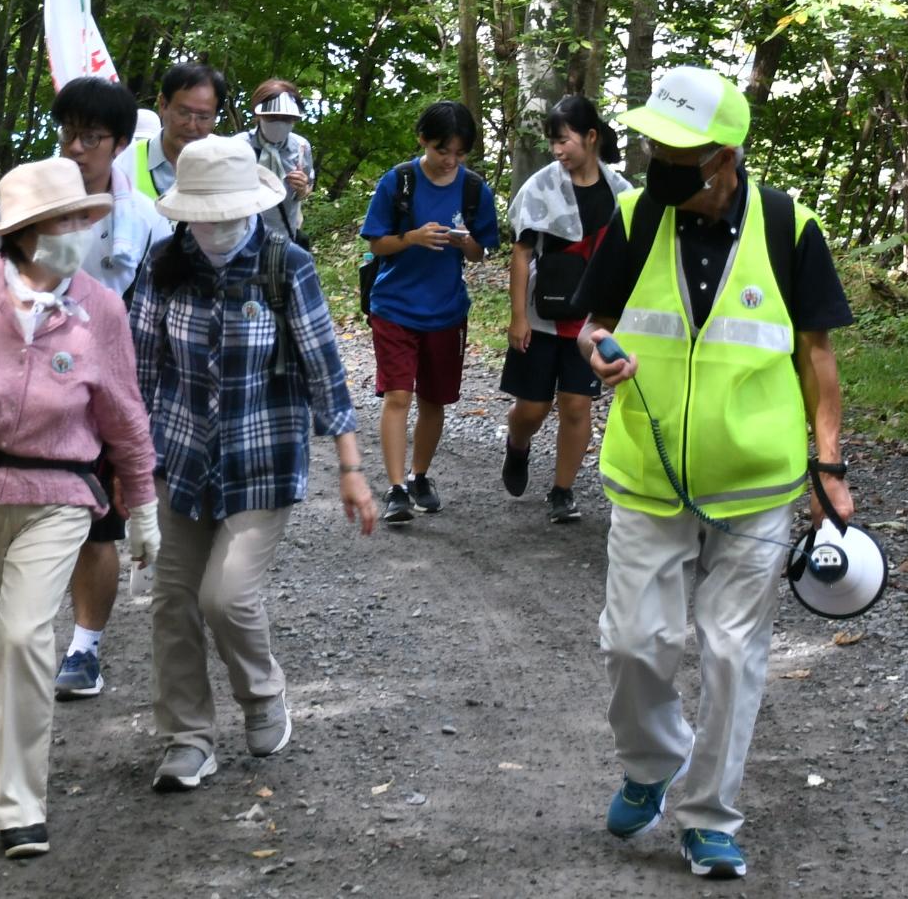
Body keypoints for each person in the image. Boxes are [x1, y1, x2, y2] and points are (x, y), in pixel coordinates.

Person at [573, 65, 854, 882]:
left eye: (679, 153)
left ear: (726, 156)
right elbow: (590, 325)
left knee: (732, 654)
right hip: (649, 472)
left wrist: (827, 464)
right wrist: (599, 351)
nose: (661, 164)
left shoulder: (788, 225)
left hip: (756, 482)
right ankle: (652, 762)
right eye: (656, 146)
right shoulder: (634, 215)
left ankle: (708, 817)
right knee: (634, 643)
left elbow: (817, 354)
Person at [0, 157, 160, 860]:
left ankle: (18, 804)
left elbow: (125, 414)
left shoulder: (102, 307)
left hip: (60, 492)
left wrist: (142, 506)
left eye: (82, 218)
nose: (77, 232)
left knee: (23, 636)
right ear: (23, 233)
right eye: (62, 221)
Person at [132, 136, 375, 793]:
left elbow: (326, 369)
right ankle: (188, 738)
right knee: (173, 600)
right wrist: (125, 473)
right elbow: (140, 370)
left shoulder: (284, 264)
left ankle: (263, 694)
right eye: (202, 213)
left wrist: (351, 466)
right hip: (179, 459)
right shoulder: (163, 263)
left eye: (227, 211)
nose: (215, 225)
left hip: (262, 461)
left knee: (227, 594)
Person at [0, 76, 168, 700]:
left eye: (90, 137)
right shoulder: (28, 196)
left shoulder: (142, 216)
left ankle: (84, 650)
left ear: (118, 143)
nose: (75, 148)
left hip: (101, 383)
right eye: (67, 134)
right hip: (25, 381)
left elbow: (155, 302)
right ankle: (9, 634)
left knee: (98, 521)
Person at [358, 100, 500, 524]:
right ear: (423, 140)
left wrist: (465, 243)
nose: (450, 161)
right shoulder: (399, 181)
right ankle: (397, 487)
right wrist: (413, 237)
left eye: (459, 153)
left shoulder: (475, 190)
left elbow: (480, 254)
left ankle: (420, 476)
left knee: (434, 399)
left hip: (446, 310)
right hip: (395, 306)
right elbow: (376, 243)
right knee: (398, 394)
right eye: (443, 151)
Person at [500, 96, 633, 524]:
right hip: (541, 317)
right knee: (533, 408)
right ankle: (517, 446)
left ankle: (562, 489)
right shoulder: (539, 187)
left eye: (564, 140)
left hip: (594, 320)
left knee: (577, 405)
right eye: (553, 142)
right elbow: (521, 253)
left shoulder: (622, 195)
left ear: (590, 137)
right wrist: (518, 315)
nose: (557, 150)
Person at [119, 61, 225, 204]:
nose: (192, 126)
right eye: (183, 113)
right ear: (163, 105)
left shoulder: (226, 166)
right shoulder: (124, 161)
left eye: (203, 117)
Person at [244, 79, 314, 247]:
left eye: (287, 119)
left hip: (284, 239)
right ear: (259, 115)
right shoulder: (239, 147)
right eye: (273, 117)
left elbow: (308, 187)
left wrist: (302, 189)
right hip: (244, 241)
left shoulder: (301, 148)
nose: (279, 123)